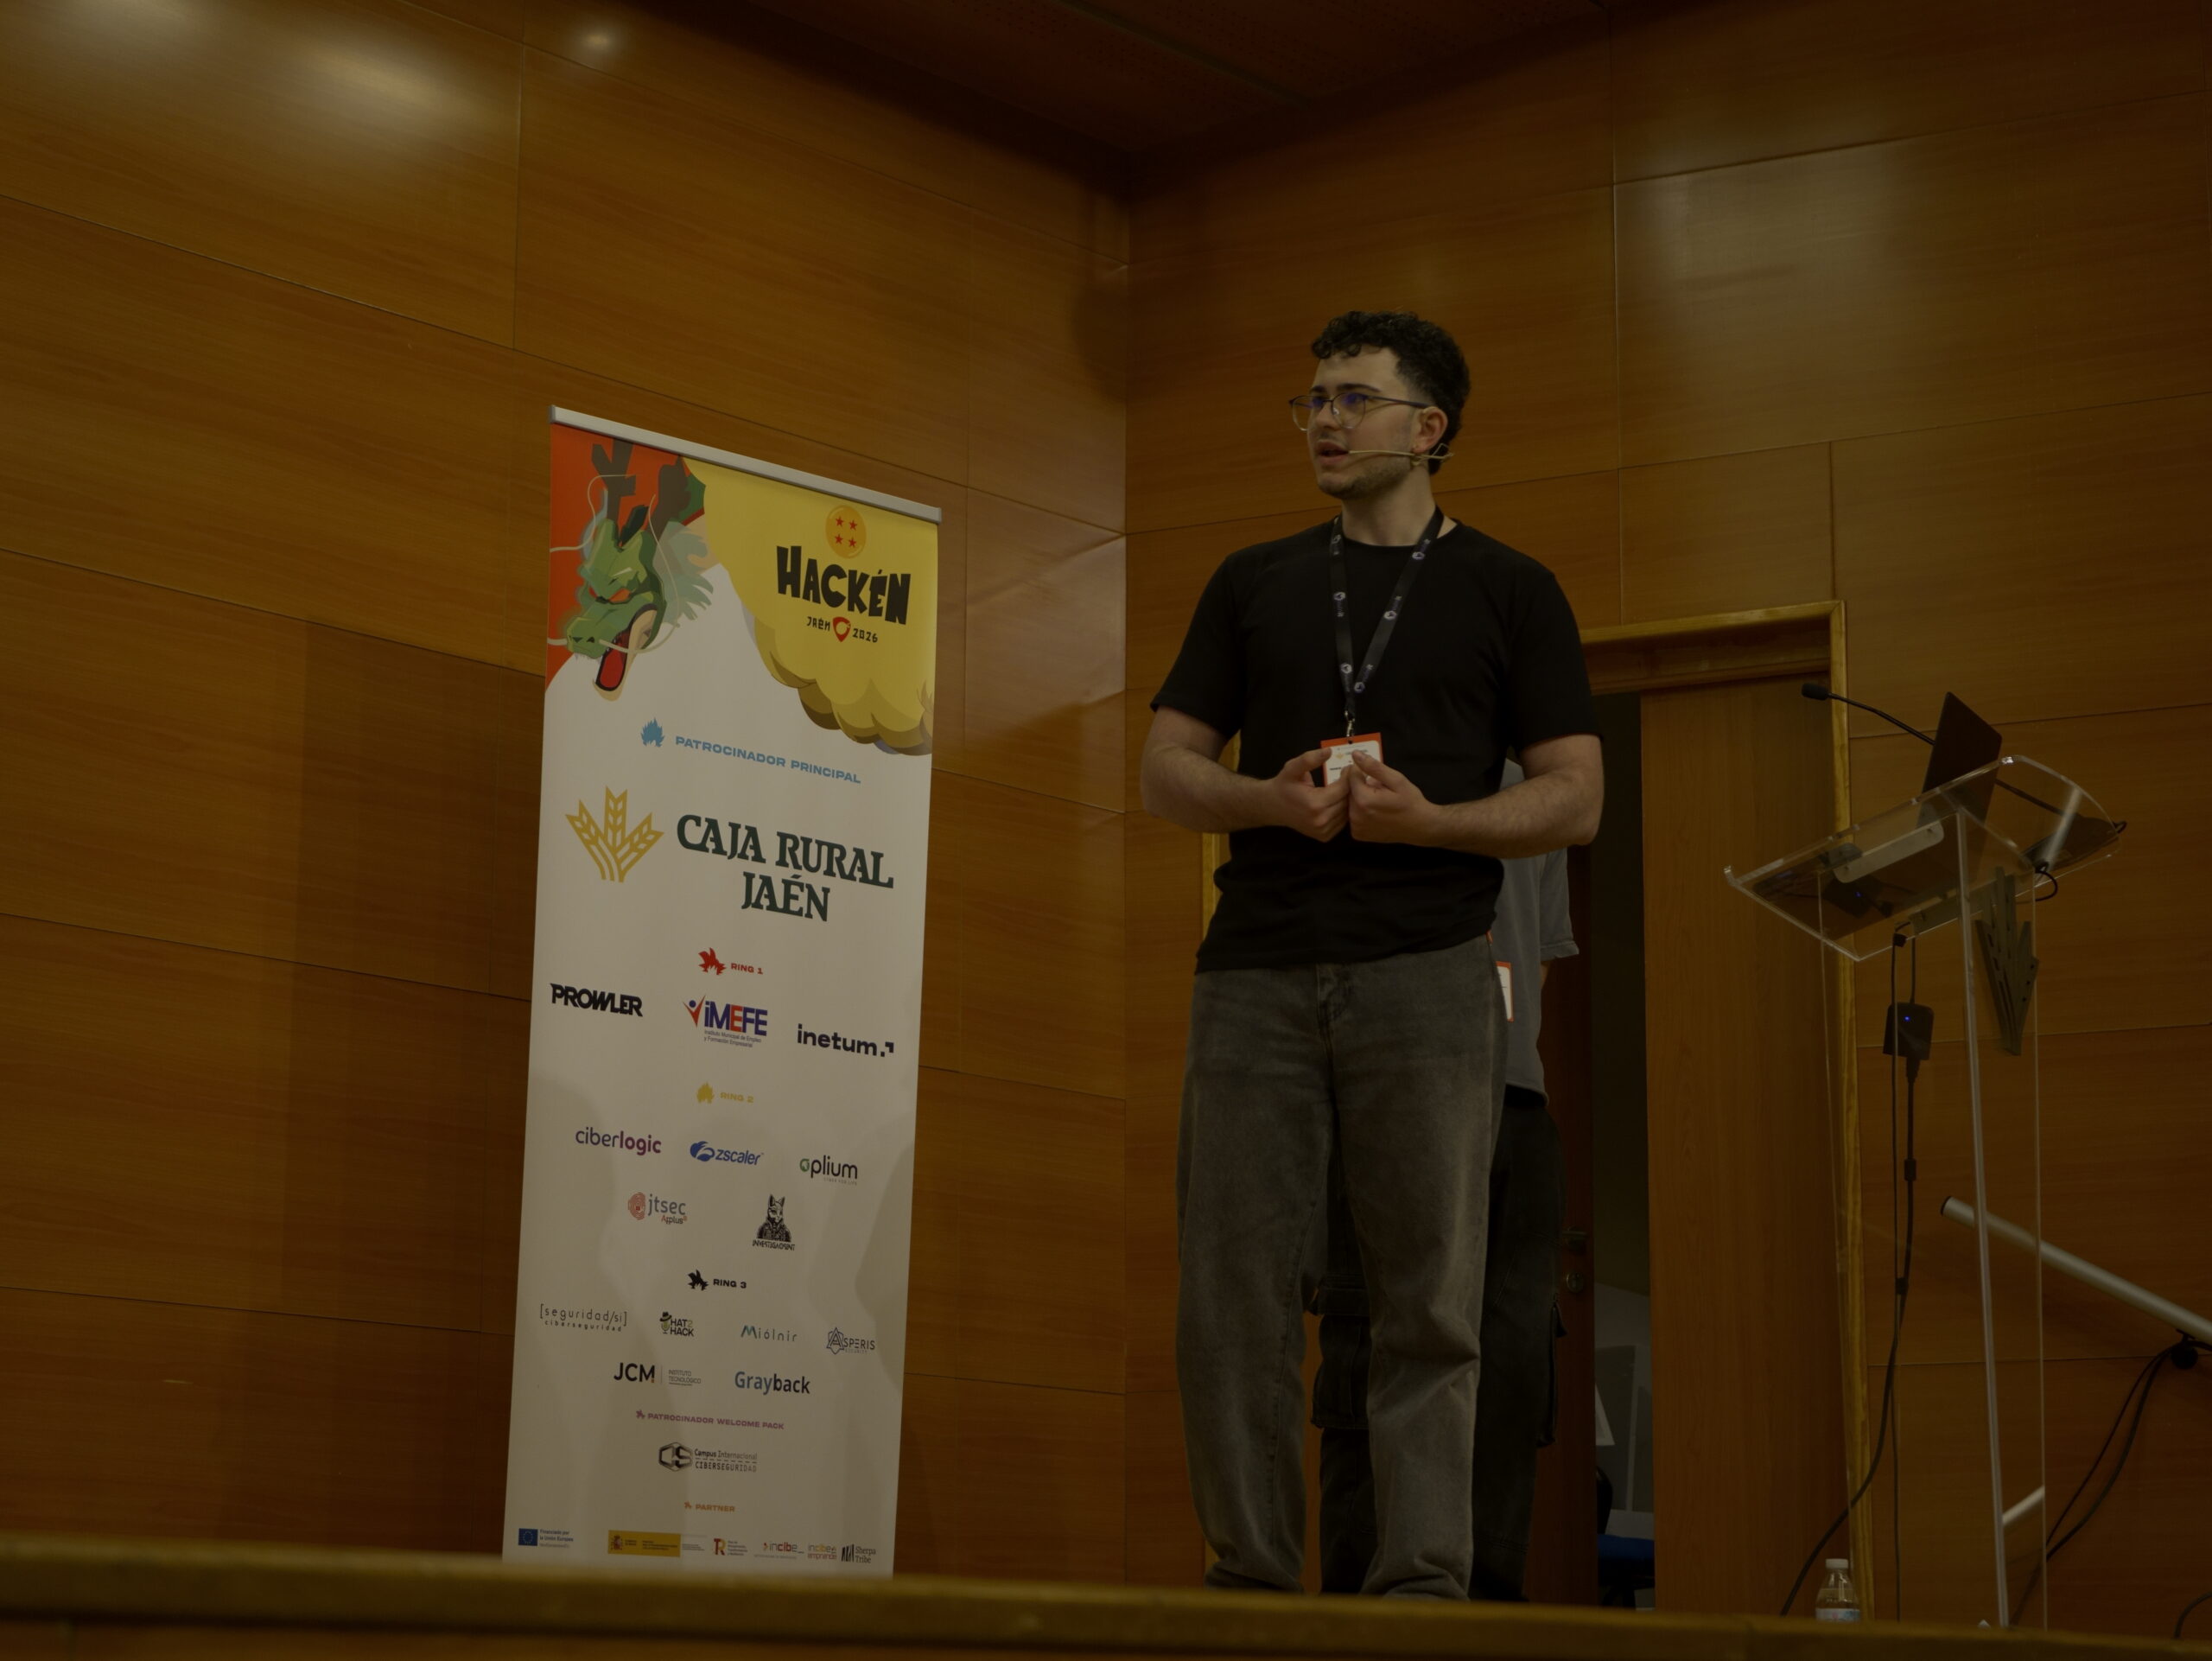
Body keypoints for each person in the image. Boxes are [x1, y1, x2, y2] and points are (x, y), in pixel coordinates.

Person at [1141, 309, 1602, 1598]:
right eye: (1313, 401)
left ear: (1429, 427)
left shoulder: (1513, 588)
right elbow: (1166, 770)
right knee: (1230, 1294)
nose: (1324, 422)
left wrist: (1437, 822)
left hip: (1431, 970)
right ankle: (1249, 1583)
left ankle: (1420, 1590)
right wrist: (1265, 799)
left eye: (1353, 398)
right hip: (1253, 970)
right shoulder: (1252, 579)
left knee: (1427, 1301)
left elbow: (1577, 795)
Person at [1310, 785, 1574, 1600]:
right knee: (1381, 1344)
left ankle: (1485, 1606)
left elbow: (1536, 964)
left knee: (1510, 1365)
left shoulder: (1547, 784)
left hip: (1515, 1101)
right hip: (1391, 1090)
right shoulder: (1377, 761)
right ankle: (1359, 1606)